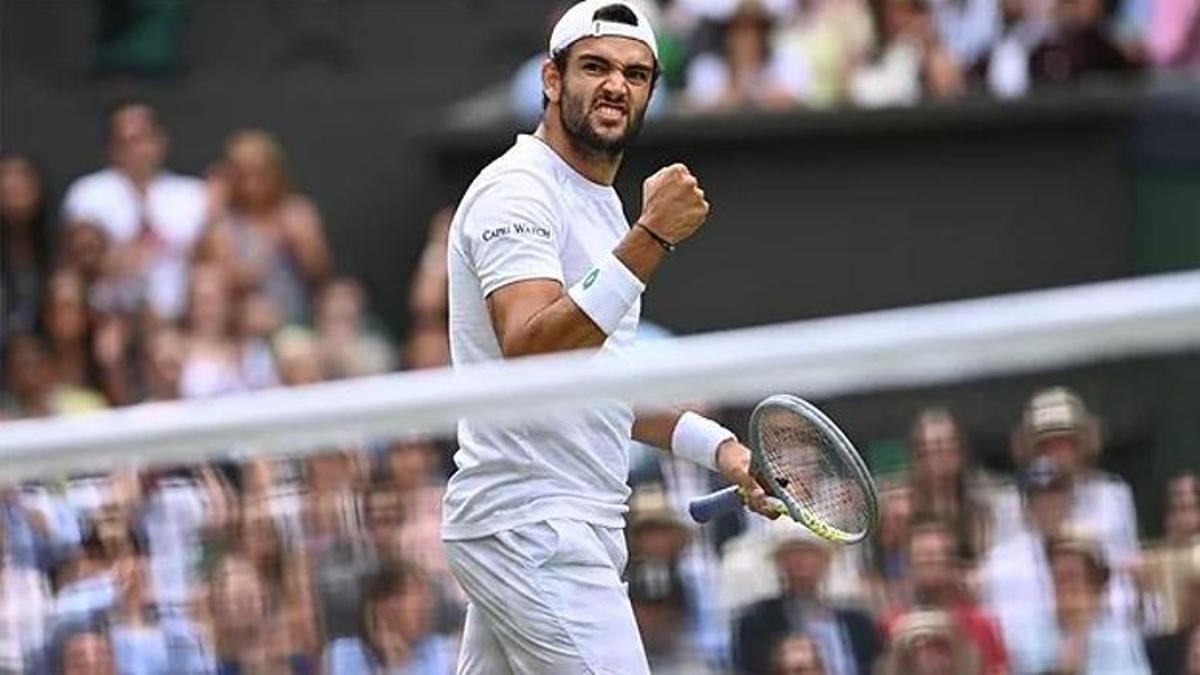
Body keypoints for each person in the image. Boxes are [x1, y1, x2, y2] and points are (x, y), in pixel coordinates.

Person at [440, 2, 780, 672]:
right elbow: (533, 349)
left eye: (635, 73)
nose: (616, 85)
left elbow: (599, 389)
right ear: (551, 79)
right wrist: (652, 236)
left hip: (555, 523)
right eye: (595, 66)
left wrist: (723, 448)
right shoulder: (517, 192)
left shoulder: (602, 206)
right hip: (531, 526)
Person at [60, 101, 208, 322]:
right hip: (105, 319)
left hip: (180, 319)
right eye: (124, 141)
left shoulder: (193, 195)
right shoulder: (87, 193)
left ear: (161, 141)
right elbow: (78, 265)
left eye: (141, 139)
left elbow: (206, 262)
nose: (134, 149)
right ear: (111, 148)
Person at [735, 525, 881, 675]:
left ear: (826, 561)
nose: (801, 562)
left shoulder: (858, 623)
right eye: (792, 553)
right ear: (779, 563)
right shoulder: (757, 623)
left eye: (809, 553)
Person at [881, 520, 1008, 674]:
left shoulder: (980, 626)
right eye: (922, 559)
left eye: (936, 558)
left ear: (951, 563)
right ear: (909, 565)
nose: (930, 565)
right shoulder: (893, 625)